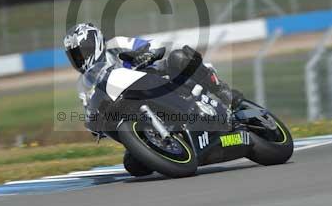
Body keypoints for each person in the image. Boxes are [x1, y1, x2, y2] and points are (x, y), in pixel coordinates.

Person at [63, 22, 245, 131]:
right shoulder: (86, 84)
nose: (80, 59)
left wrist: (144, 54)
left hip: (155, 77)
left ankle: (221, 90)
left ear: (95, 42)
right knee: (134, 166)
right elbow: (90, 111)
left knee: (178, 57)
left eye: (82, 52)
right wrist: (95, 124)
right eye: (75, 56)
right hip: (131, 108)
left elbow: (149, 45)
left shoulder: (115, 44)